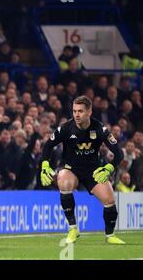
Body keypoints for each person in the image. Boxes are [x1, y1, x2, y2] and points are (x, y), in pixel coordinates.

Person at [40, 96, 125, 244]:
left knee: (110, 200)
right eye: (74, 111)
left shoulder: (100, 129)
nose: (77, 115)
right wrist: (45, 165)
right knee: (63, 181)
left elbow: (118, 153)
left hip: (93, 170)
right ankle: (73, 229)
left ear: (89, 112)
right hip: (71, 169)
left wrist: (109, 167)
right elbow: (48, 146)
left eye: (80, 111)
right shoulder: (66, 128)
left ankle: (110, 236)